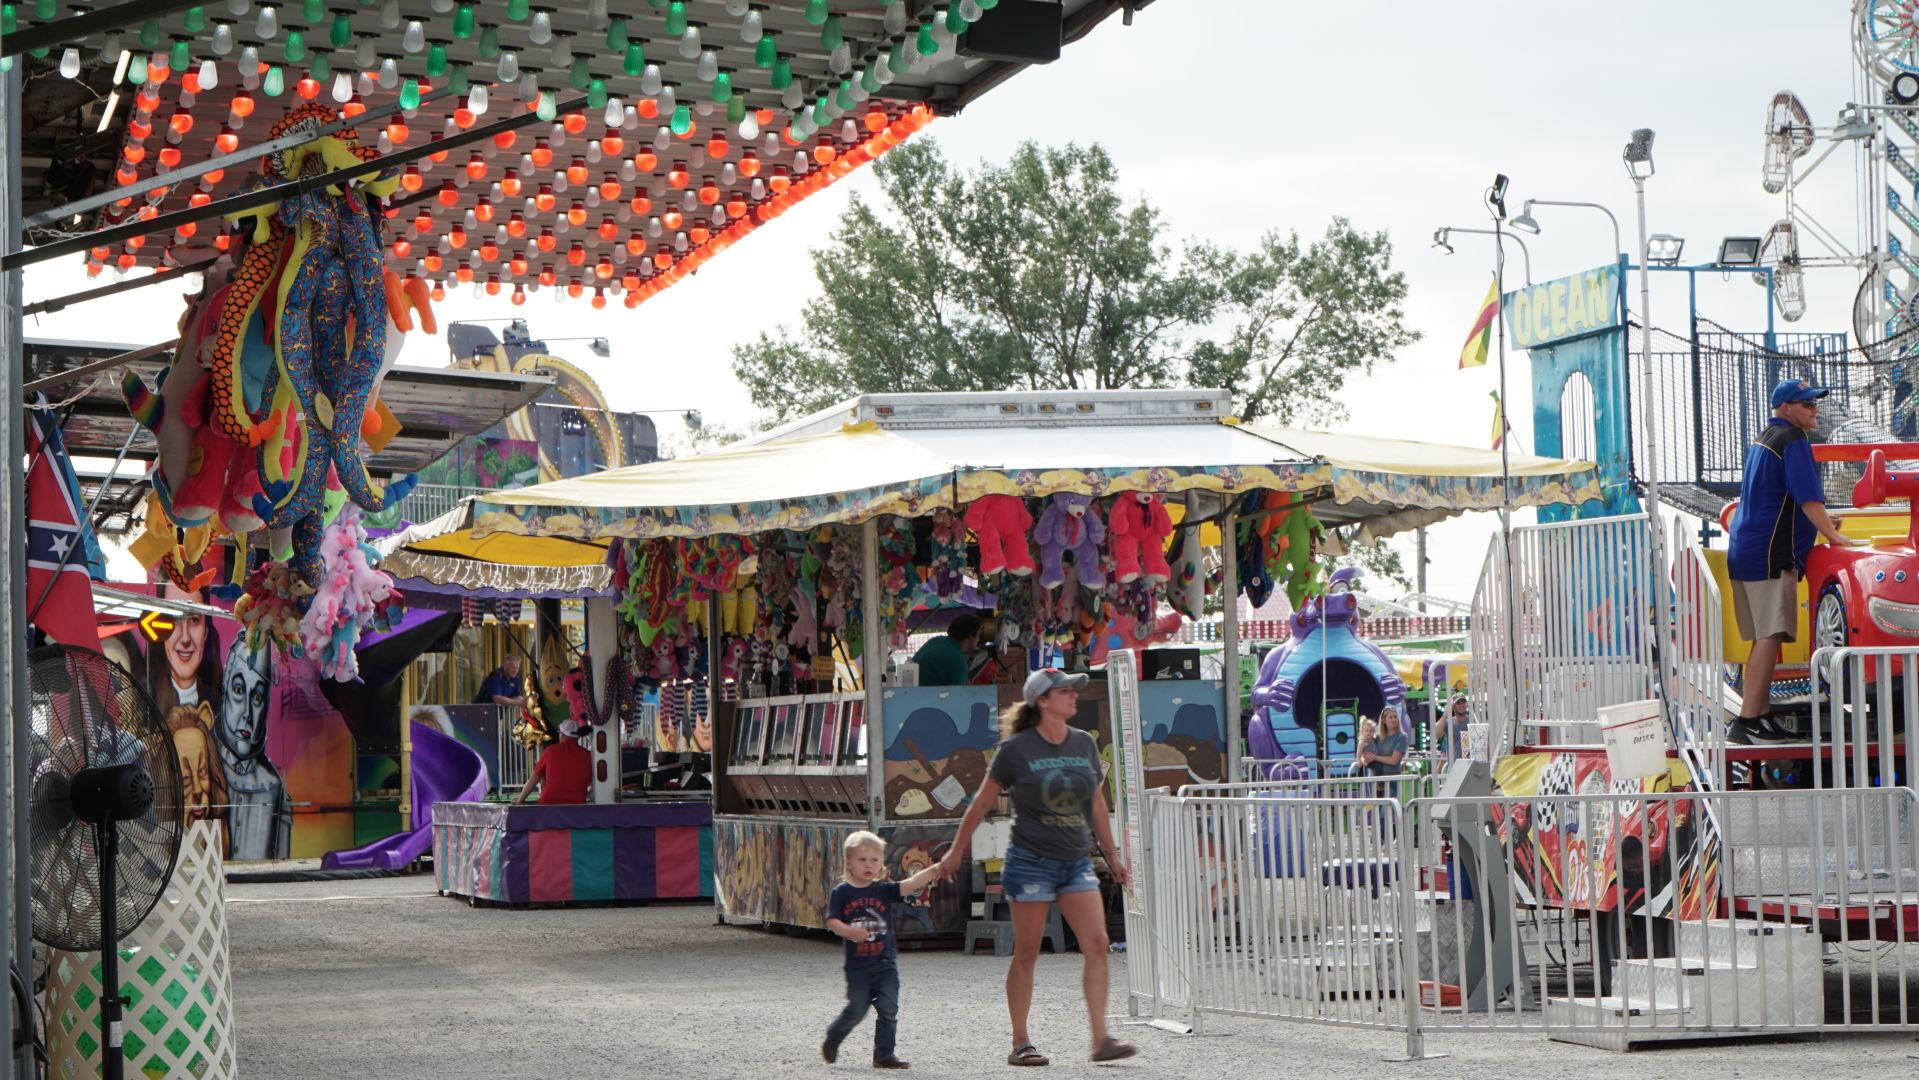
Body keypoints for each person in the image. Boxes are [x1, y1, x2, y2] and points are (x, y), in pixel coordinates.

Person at [939, 669, 1136, 1066]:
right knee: (1028, 951)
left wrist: (1112, 855)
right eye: (1065, 692)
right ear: (1042, 701)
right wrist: (955, 851)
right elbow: (980, 803)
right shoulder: (1015, 750)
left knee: (1097, 943)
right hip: (1030, 862)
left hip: (1075, 860)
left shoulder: (1084, 744)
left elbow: (1096, 803)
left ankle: (1101, 1039)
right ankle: (1020, 1041)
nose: (1074, 697)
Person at [1725, 379, 1854, 743]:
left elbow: (1780, 500)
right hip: (1769, 555)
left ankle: (1760, 716)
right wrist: (1833, 535)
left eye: (1815, 403)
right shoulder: (1793, 440)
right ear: (1786, 408)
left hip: (1747, 550)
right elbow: (1808, 499)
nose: (1815, 410)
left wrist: (1824, 524)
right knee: (1770, 635)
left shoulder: (1765, 438)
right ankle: (1748, 721)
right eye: (1807, 404)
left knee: (1764, 637)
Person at [821, 830, 943, 1070]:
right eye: (862, 860)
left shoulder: (883, 889)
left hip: (885, 962)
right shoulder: (842, 892)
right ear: (848, 863)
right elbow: (831, 921)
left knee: (889, 1008)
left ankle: (884, 1055)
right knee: (857, 1009)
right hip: (858, 966)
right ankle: (834, 1036)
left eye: (874, 860)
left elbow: (909, 885)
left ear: (881, 864)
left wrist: (935, 869)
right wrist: (849, 931)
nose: (869, 865)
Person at [517, 718, 592, 804]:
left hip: (548, 804)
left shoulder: (550, 751)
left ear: (562, 735)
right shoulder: (588, 755)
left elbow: (534, 778)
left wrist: (520, 800)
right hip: (577, 804)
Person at [910, 612, 980, 687]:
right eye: (979, 635)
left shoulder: (936, 640)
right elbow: (957, 696)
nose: (979, 639)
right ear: (971, 636)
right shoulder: (958, 661)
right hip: (922, 697)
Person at [1358, 705, 1408, 777]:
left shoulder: (1401, 737)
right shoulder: (1376, 736)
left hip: (1392, 778)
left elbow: (1394, 760)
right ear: (1384, 720)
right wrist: (1364, 759)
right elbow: (1365, 754)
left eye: (1395, 716)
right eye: (1390, 717)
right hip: (1375, 778)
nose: (1394, 719)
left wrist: (1375, 757)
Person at [1435, 696, 1470, 764]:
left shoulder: (1473, 721)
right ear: (1453, 706)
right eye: (1458, 703)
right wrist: (1445, 714)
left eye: (1463, 702)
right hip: (1454, 766)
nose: (1461, 705)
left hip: (1472, 765)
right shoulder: (1448, 723)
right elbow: (1436, 735)